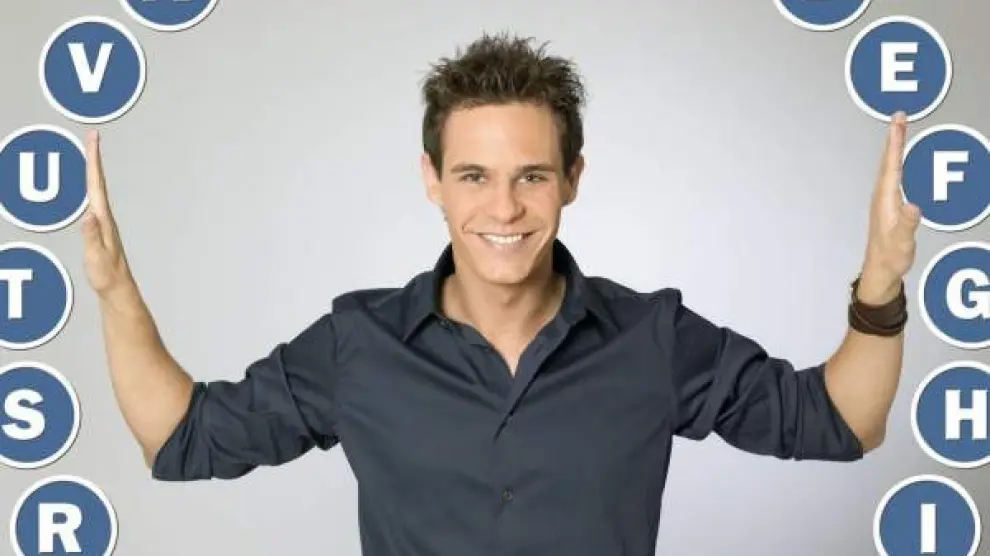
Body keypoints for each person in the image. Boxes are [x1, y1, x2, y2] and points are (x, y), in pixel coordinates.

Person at [81, 33, 920, 556]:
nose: (505, 209)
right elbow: (182, 439)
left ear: (573, 179)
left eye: (532, 176)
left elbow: (841, 422)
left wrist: (881, 280)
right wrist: (116, 292)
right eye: (474, 176)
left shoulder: (653, 338)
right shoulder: (357, 345)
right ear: (432, 181)